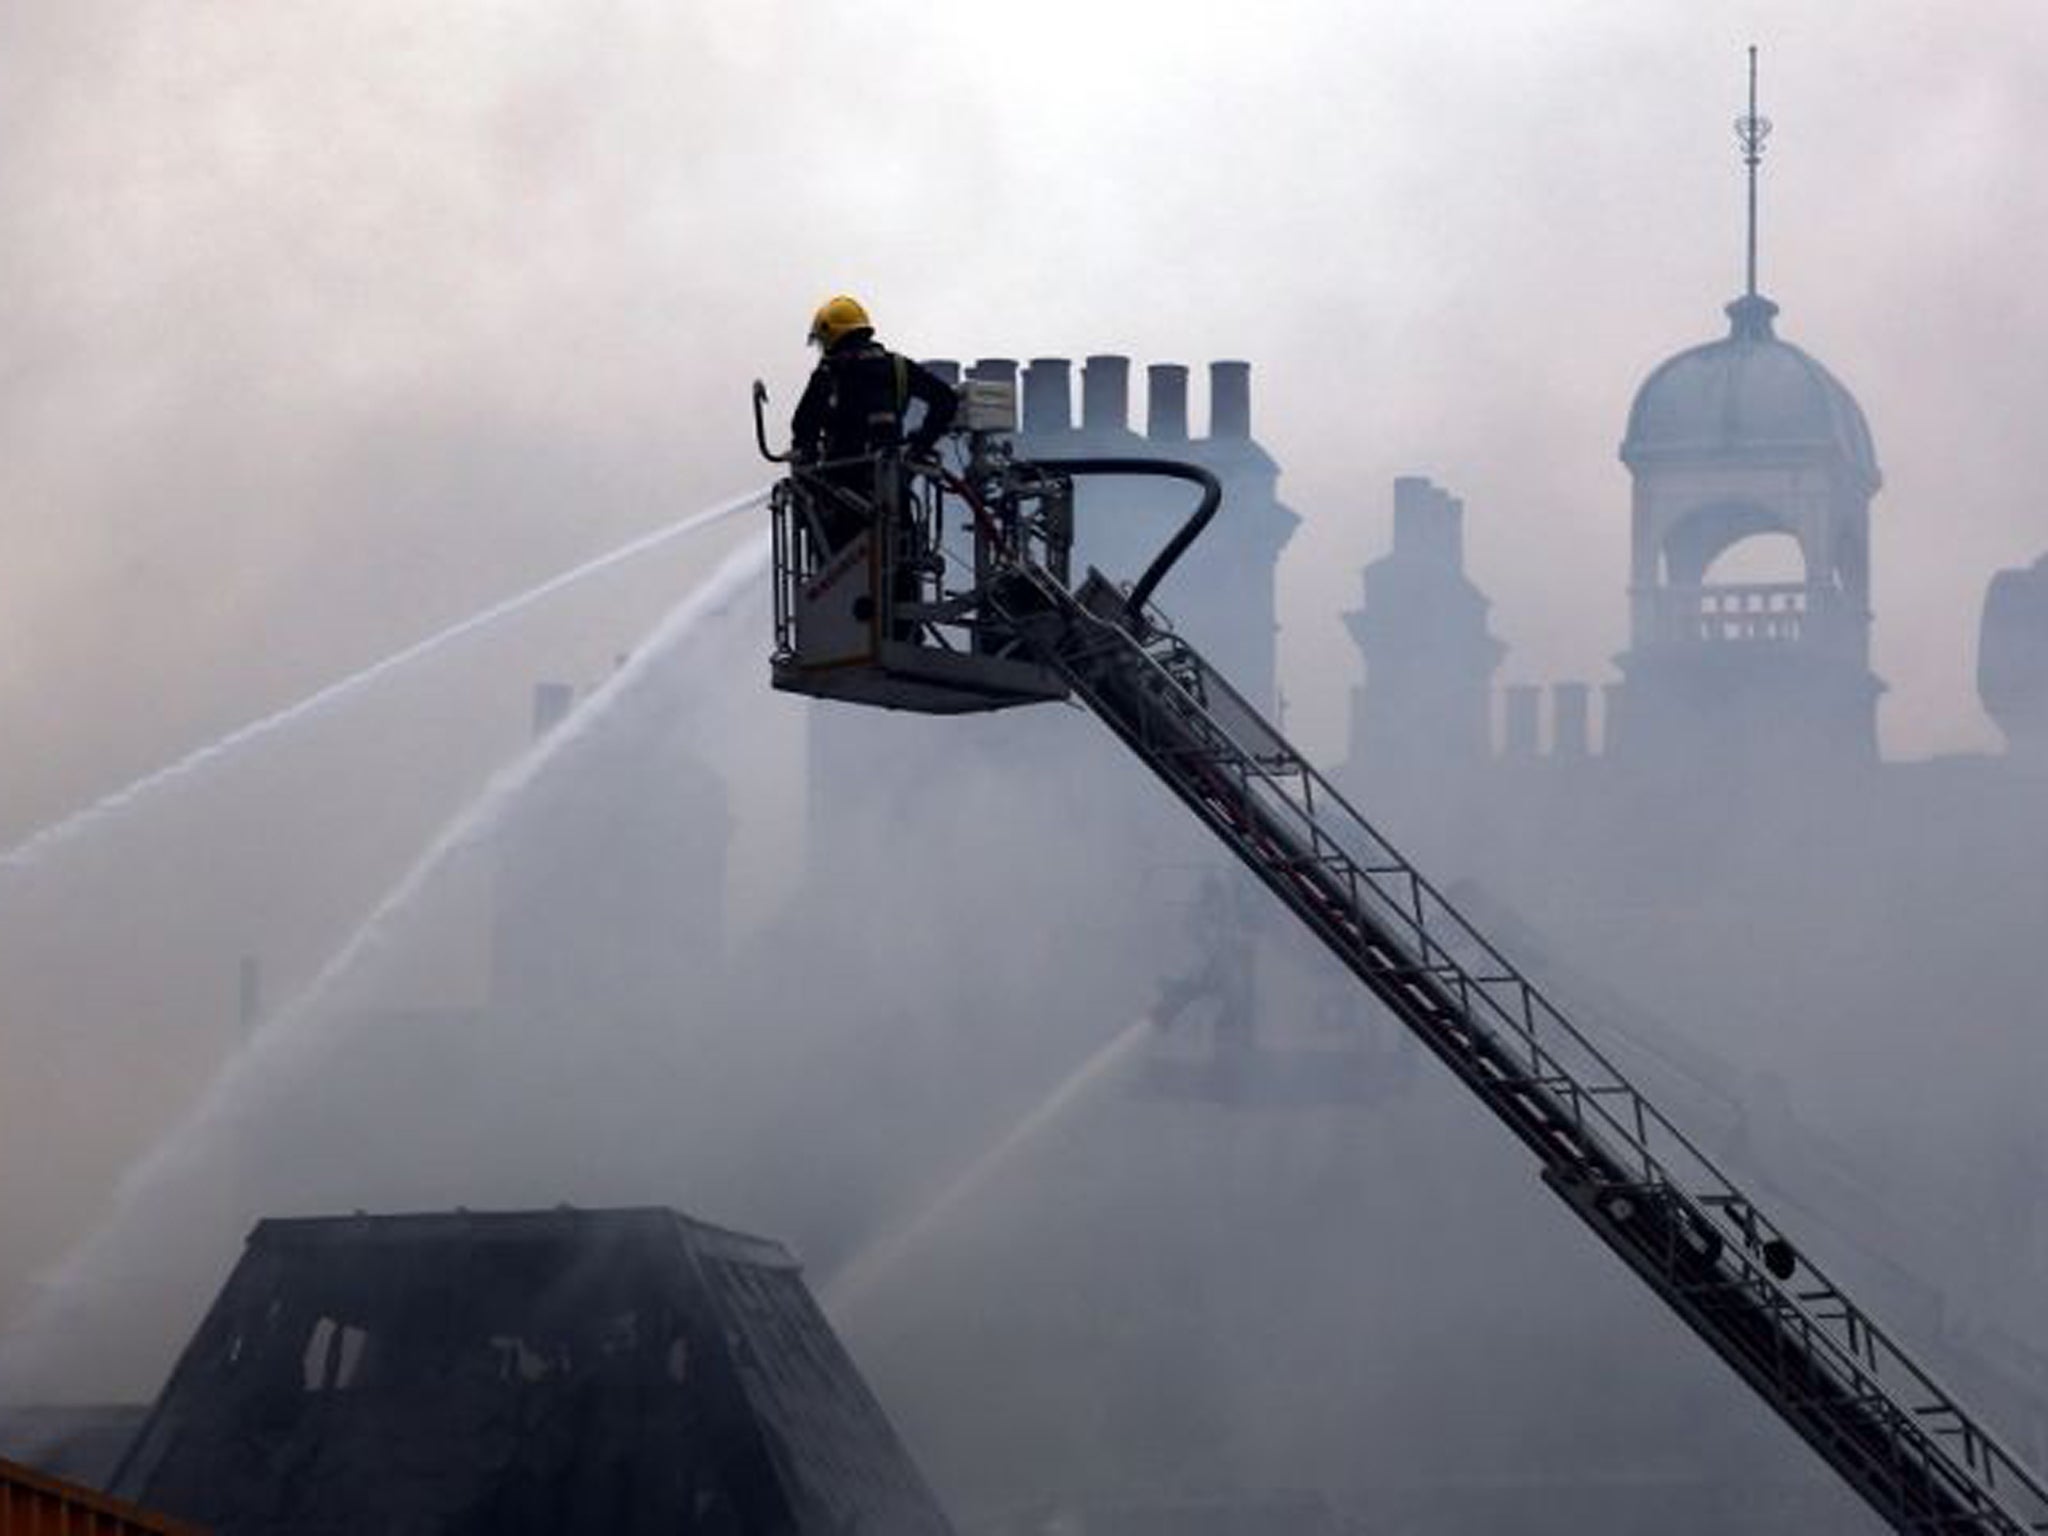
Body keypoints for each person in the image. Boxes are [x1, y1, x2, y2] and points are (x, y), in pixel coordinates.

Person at [788, 295, 958, 554]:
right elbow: (946, 400)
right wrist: (919, 446)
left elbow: (803, 428)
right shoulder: (898, 367)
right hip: (893, 496)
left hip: (841, 500)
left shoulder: (828, 374)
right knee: (901, 565)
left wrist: (807, 472)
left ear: (832, 336)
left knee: (837, 573)